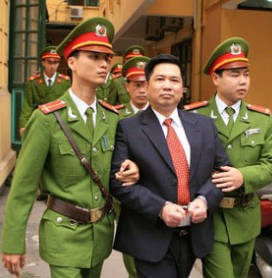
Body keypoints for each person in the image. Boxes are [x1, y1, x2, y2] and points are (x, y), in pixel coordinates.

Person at [1, 17, 139, 278]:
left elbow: (120, 165)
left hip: (100, 234)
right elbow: (23, 187)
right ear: (72, 62)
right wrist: (12, 241)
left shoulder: (113, 118)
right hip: (63, 234)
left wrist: (132, 167)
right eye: (94, 56)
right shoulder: (47, 120)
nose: (103, 64)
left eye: (107, 58)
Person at [110, 53, 230, 278]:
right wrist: (160, 208)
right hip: (150, 235)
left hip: (194, 234)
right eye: (160, 79)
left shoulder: (203, 126)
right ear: (147, 85)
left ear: (183, 88)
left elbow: (222, 170)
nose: (168, 86)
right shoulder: (128, 128)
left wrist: (205, 199)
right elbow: (119, 184)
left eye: (174, 80)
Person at [184, 37, 272, 278]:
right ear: (216, 78)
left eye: (246, 74)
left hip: (246, 217)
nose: (243, 81)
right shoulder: (193, 117)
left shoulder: (262, 118)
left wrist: (243, 176)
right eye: (234, 74)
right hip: (211, 217)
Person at [114, 55, 150, 278]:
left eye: (146, 84)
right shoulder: (115, 116)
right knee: (133, 257)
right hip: (126, 197)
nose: (142, 90)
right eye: (137, 85)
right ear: (127, 86)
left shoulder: (163, 115)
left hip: (157, 194)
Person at [19, 45, 70, 137]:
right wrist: (24, 125)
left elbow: (69, 104)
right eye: (49, 62)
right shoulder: (33, 82)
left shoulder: (65, 82)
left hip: (59, 123)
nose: (53, 66)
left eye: (56, 62)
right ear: (43, 63)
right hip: (40, 122)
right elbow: (27, 106)